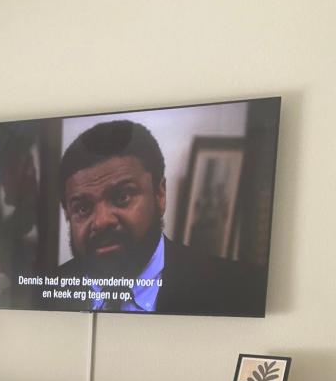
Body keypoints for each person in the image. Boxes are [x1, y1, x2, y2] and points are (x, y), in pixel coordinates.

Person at [55, 119, 266, 315]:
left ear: (160, 194)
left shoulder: (240, 290)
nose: (101, 221)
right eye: (83, 208)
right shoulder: (46, 291)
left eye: (122, 196)